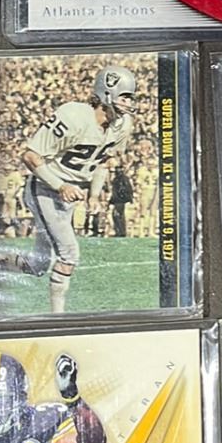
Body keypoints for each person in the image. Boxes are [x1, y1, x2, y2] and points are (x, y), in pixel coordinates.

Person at [14, 65, 137, 313]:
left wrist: (94, 195)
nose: (129, 103)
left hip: (69, 192)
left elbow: (103, 162)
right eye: (124, 96)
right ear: (107, 93)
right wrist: (60, 185)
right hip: (44, 187)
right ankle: (58, 318)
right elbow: (30, 156)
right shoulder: (74, 116)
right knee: (69, 253)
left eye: (130, 98)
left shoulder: (122, 125)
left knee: (38, 265)